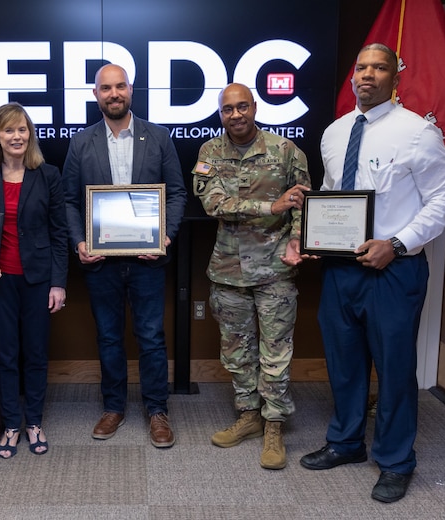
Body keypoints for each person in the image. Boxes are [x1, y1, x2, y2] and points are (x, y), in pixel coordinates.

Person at [299, 43, 445, 503]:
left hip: (395, 270)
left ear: (396, 76)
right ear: (353, 75)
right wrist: (314, 235)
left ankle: (395, 461)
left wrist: (397, 243)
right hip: (340, 270)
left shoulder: (417, 133)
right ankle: (346, 442)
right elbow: (333, 194)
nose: (368, 75)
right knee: (344, 363)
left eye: (380, 67)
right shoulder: (334, 132)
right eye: (362, 67)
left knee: (394, 369)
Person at [63, 63, 187, 448]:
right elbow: (69, 200)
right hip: (100, 263)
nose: (113, 94)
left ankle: (156, 410)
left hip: (148, 260)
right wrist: (80, 241)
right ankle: (114, 406)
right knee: (109, 337)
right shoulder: (82, 142)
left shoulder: (158, 137)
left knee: (150, 336)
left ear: (131, 90)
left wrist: (165, 237)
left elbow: (178, 194)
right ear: (96, 94)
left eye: (120, 87)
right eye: (105, 88)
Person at [192, 83, 311, 470]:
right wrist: (269, 205)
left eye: (243, 107)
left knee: (275, 351)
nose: (236, 115)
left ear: (255, 107)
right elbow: (213, 203)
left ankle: (274, 424)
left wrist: (296, 241)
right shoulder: (209, 152)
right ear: (220, 113)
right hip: (228, 270)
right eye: (228, 109)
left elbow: (303, 206)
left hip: (276, 268)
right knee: (236, 352)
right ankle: (249, 414)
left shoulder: (286, 151)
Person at [0, 102, 68, 459]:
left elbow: (59, 232)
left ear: (30, 134)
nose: (16, 136)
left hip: (38, 279)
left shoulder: (48, 174)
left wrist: (59, 283)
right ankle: (12, 423)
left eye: (22, 129)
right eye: (9, 130)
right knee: (6, 355)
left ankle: (34, 423)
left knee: (37, 354)